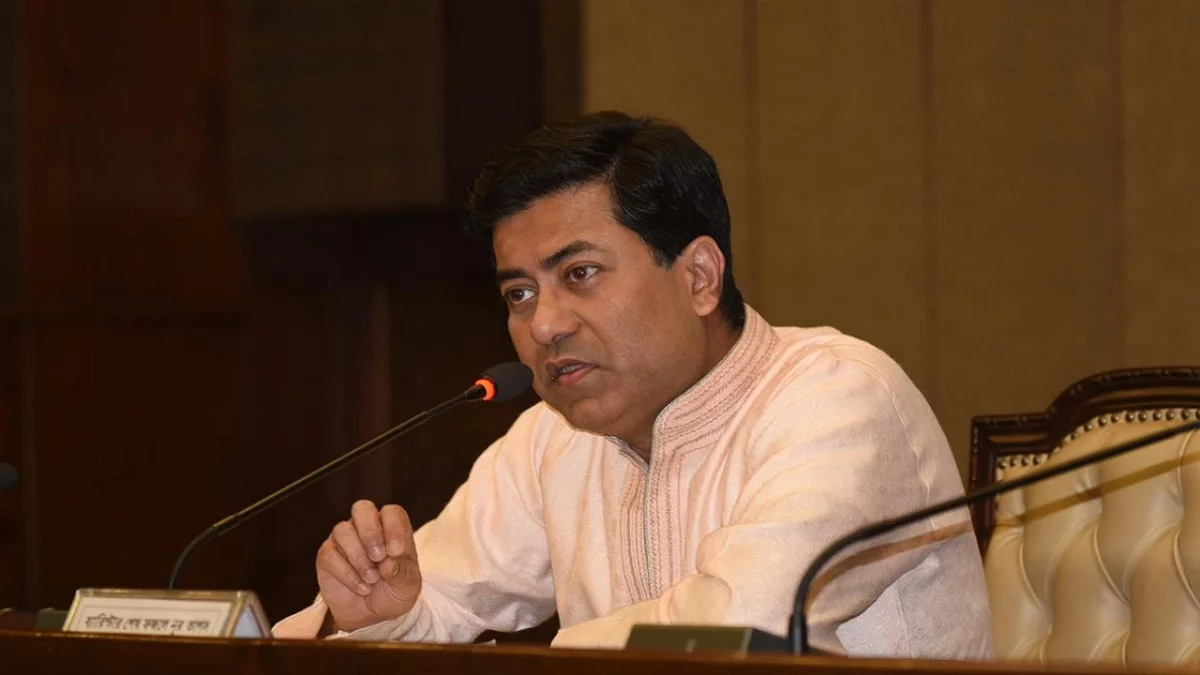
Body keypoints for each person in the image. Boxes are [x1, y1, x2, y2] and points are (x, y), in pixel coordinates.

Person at [273, 111, 993, 658]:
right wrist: (385, 614)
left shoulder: (838, 399)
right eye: (519, 293)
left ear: (700, 276)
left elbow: (742, 630)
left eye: (580, 273)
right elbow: (440, 593)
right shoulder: (554, 439)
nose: (544, 324)